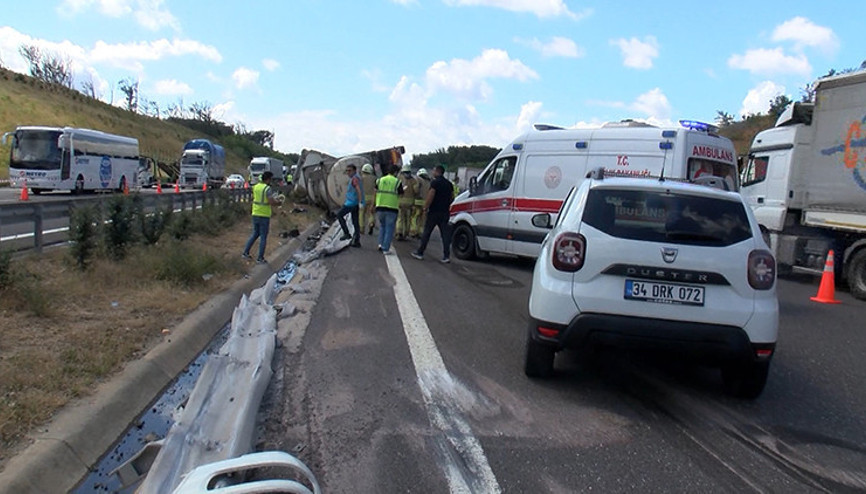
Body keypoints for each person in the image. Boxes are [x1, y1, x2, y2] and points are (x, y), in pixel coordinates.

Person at [411, 165, 454, 263]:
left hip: (434, 212)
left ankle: (420, 252)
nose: (432, 172)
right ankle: (446, 256)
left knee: (427, 232)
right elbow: (452, 197)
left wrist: (425, 207)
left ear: (437, 171)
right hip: (445, 212)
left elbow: (431, 195)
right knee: (445, 235)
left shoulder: (435, 183)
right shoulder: (449, 184)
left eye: (434, 170)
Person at [242, 171, 283, 263]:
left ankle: (245, 253)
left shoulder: (256, 187)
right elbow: (270, 202)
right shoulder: (267, 189)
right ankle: (260, 258)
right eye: (271, 179)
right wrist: (279, 202)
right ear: (268, 179)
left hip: (255, 213)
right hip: (264, 215)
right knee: (263, 236)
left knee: (255, 234)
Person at [374, 164, 403, 254]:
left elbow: (375, 191)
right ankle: (385, 248)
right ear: (395, 172)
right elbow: (401, 193)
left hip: (380, 206)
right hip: (392, 208)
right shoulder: (397, 182)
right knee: (389, 228)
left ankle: (380, 244)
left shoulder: (380, 180)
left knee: (382, 226)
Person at [337, 164, 364, 247]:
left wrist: (360, 202)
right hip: (354, 203)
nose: (348, 172)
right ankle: (357, 241)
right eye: (347, 171)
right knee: (355, 221)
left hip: (351, 203)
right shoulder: (357, 178)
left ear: (354, 171)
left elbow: (358, 191)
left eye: (350, 170)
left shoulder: (354, 179)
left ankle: (347, 233)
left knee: (339, 215)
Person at [396, 164, 417, 241]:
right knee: (407, 219)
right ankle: (405, 233)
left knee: (400, 218)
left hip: (400, 202)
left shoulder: (399, 179)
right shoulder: (413, 180)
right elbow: (416, 191)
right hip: (409, 203)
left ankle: (399, 232)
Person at [413, 168, 431, 238]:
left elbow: (416, 190)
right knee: (423, 219)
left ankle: (414, 232)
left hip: (417, 202)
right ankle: (421, 232)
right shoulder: (429, 182)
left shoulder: (418, 179)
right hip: (426, 203)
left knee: (415, 217)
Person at [359, 163, 377, 235]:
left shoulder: (361, 179)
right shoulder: (375, 179)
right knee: (371, 213)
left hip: (363, 198)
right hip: (372, 198)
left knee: (361, 214)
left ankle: (361, 229)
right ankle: (371, 223)